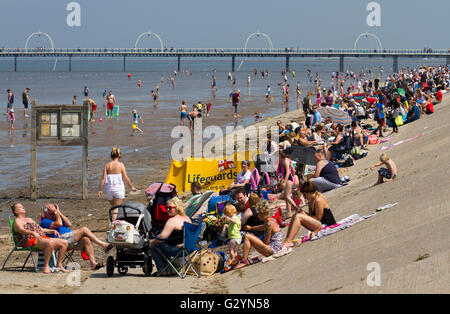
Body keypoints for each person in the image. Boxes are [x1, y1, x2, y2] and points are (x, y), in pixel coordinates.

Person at [40, 203, 113, 270]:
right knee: (84, 229)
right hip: (59, 240)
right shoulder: (44, 221)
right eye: (51, 212)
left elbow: (69, 224)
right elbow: (59, 224)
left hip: (69, 239)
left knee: (86, 239)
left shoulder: (56, 217)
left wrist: (58, 212)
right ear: (46, 213)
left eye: (53, 212)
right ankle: (103, 245)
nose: (53, 214)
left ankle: (93, 264)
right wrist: (55, 213)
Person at [11, 203, 69, 274]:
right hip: (29, 240)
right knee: (49, 242)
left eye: (22, 206)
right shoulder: (17, 221)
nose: (23, 207)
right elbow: (21, 230)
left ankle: (59, 265)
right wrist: (32, 233)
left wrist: (51, 230)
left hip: (41, 238)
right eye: (20, 207)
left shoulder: (29, 219)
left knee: (64, 242)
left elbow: (40, 229)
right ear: (15, 211)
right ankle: (46, 266)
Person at [281, 181, 337, 248]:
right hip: (319, 223)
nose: (304, 197)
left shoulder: (319, 200)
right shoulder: (311, 200)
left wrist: (303, 214)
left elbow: (318, 218)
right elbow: (311, 216)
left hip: (326, 225)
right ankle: (287, 240)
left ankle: (288, 241)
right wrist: (302, 212)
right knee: (296, 215)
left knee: (298, 216)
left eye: (305, 195)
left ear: (309, 193)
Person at [149, 198, 192, 276]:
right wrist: (184, 244)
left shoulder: (172, 220)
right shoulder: (187, 218)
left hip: (175, 249)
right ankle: (169, 269)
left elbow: (162, 236)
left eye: (170, 208)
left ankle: (163, 270)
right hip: (188, 249)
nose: (167, 210)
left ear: (177, 208)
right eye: (166, 208)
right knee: (162, 244)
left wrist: (154, 240)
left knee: (153, 246)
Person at [234, 201, 283, 269]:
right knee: (250, 236)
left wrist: (255, 240)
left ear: (262, 214)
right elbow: (262, 227)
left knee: (247, 236)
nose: (257, 215)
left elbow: (266, 242)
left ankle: (244, 260)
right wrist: (251, 228)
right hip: (275, 247)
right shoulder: (270, 220)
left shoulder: (269, 224)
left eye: (258, 214)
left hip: (273, 250)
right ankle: (244, 259)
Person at [98, 146, 137, 220]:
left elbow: (103, 178)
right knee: (116, 209)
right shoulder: (121, 165)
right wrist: (131, 187)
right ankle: (113, 225)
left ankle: (114, 222)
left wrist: (100, 190)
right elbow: (125, 178)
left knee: (114, 207)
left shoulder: (107, 165)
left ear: (111, 155)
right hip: (118, 188)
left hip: (109, 189)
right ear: (119, 155)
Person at [277, 151, 300, 218]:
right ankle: (289, 213)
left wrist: (285, 181)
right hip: (290, 179)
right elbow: (293, 170)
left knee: (287, 197)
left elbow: (287, 172)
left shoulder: (285, 161)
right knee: (288, 197)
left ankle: (297, 208)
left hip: (288, 180)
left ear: (280, 156)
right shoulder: (288, 160)